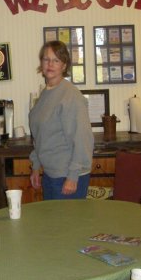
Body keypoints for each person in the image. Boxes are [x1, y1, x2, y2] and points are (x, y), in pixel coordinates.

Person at [29, 40, 94, 200]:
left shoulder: (71, 96)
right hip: (51, 174)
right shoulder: (45, 94)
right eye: (46, 59)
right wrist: (36, 167)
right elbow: (40, 136)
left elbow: (82, 139)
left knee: (68, 225)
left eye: (56, 60)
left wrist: (72, 177)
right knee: (52, 224)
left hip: (68, 177)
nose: (50, 64)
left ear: (64, 65)